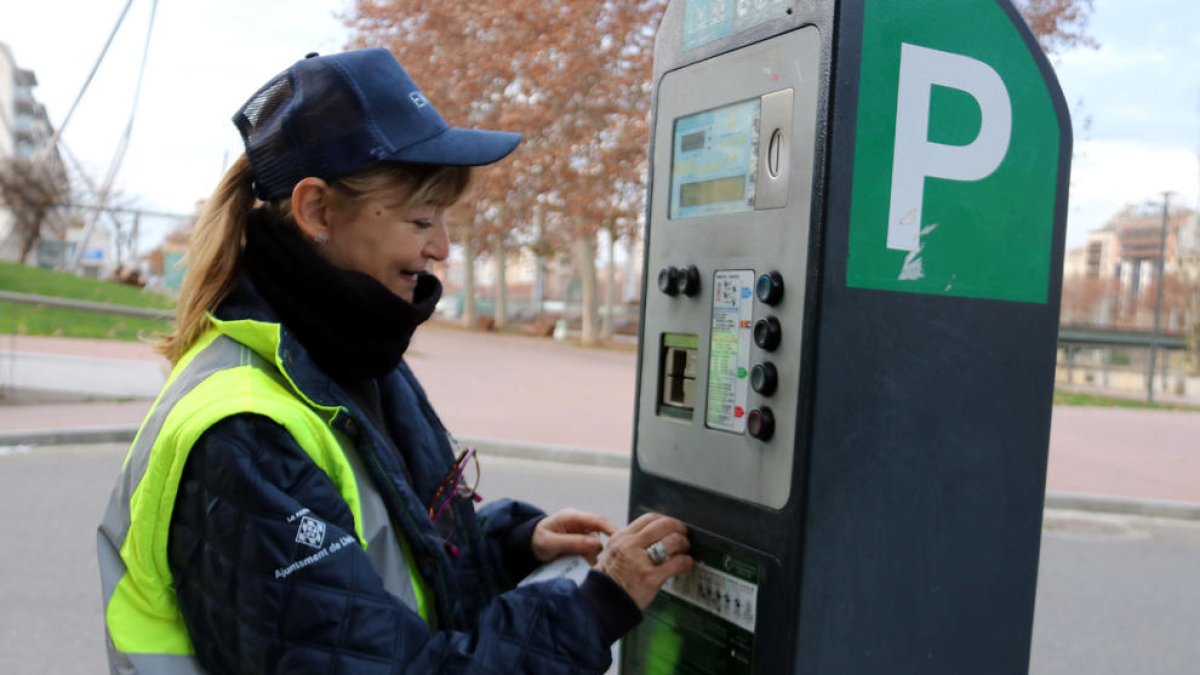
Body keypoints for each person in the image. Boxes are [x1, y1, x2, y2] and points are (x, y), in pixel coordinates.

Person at [96, 48, 693, 674]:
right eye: (421, 219)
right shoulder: (245, 433)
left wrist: (509, 547)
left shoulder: (344, 352)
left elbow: (370, 575)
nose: (441, 247)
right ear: (317, 211)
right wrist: (593, 610)